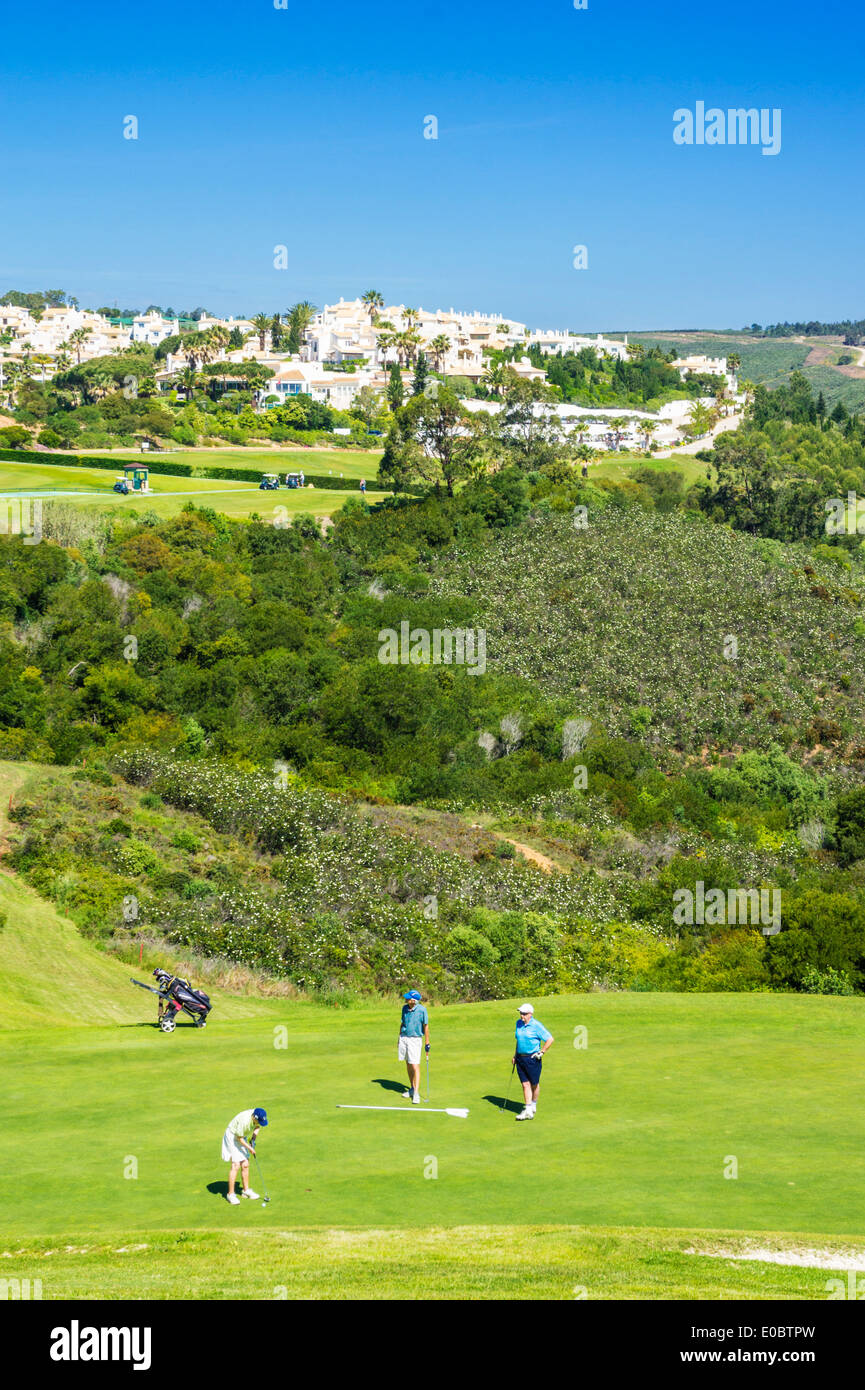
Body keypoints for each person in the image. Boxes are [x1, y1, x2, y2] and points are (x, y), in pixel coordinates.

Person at [512, 1003, 553, 1121]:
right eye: (520, 1013)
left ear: (530, 1014)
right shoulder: (518, 1024)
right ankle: (528, 1109)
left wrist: (542, 1052)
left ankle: (533, 1104)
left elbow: (550, 1039)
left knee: (534, 1084)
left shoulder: (536, 1026)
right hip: (520, 1058)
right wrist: (515, 1055)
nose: (521, 1016)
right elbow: (518, 1040)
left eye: (524, 1014)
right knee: (525, 1084)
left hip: (532, 1059)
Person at [221, 1107, 267, 1204]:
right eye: (258, 1121)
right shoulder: (244, 1122)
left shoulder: (258, 1115)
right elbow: (239, 1139)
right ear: (254, 1118)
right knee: (236, 1165)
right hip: (232, 1136)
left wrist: (253, 1140)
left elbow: (257, 1127)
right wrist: (250, 1148)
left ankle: (246, 1191)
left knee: (245, 1164)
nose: (259, 1122)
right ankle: (230, 1194)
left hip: (241, 1136)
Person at [398, 990, 429, 1104]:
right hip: (404, 1038)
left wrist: (427, 1042)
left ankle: (416, 1093)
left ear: (414, 1000)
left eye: (408, 998)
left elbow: (426, 1027)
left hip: (415, 1040)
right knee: (408, 1064)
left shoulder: (422, 1010)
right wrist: (399, 1038)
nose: (406, 999)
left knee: (415, 1065)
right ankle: (412, 1088)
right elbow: (402, 1024)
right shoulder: (404, 1008)